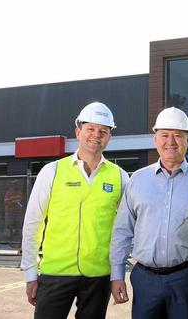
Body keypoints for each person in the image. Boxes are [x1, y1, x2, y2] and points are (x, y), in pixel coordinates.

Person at [109, 107, 188, 319]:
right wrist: (117, 274)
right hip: (145, 280)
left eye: (178, 135)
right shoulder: (137, 180)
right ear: (155, 139)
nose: (171, 141)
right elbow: (122, 230)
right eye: (164, 135)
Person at [20, 102, 129, 319]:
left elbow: (124, 231)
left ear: (109, 137)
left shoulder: (120, 177)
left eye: (103, 131)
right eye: (90, 129)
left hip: (98, 276)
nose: (96, 135)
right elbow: (33, 223)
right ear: (78, 132)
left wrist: (117, 274)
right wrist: (31, 273)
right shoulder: (52, 172)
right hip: (55, 273)